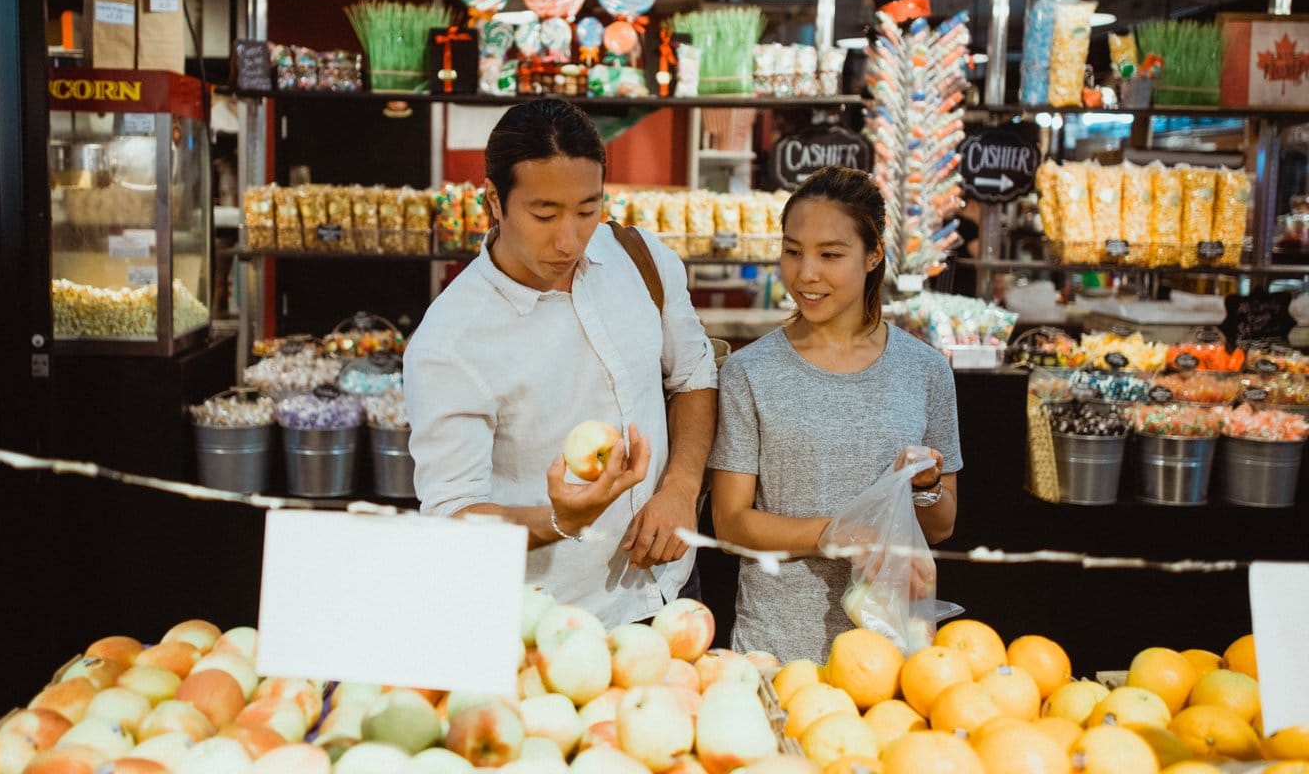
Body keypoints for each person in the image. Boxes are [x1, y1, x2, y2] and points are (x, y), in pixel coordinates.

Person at [405, 99, 718, 627]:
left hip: (674, 590)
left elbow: (693, 375)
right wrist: (558, 519)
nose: (568, 239)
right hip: (554, 621)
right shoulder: (451, 343)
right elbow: (452, 517)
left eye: (587, 210)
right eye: (544, 214)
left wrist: (682, 487)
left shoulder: (638, 258)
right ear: (493, 202)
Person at [707, 165, 961, 661]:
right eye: (793, 250)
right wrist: (837, 534)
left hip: (893, 654)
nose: (806, 274)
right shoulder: (749, 372)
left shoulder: (925, 371)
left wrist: (925, 486)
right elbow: (730, 524)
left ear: (873, 255)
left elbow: (941, 526)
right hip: (777, 652)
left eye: (831, 255)